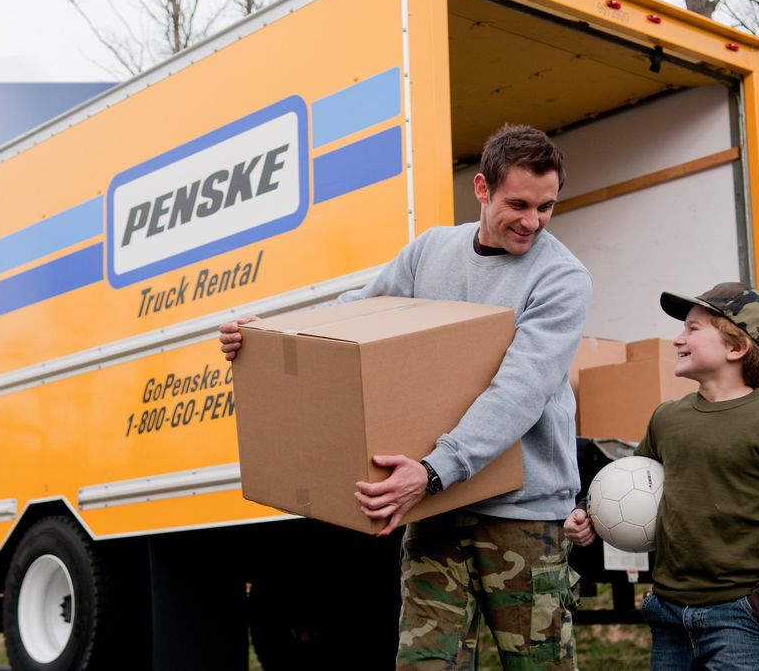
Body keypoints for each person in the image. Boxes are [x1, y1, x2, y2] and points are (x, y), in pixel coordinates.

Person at [221, 124, 593, 669]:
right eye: (519, 204)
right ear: (483, 190)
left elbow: (521, 391)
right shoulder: (431, 252)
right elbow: (360, 315)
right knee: (424, 665)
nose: (533, 222)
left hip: (522, 513)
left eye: (547, 207)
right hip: (435, 507)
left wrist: (434, 469)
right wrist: (268, 334)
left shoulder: (561, 278)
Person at [564, 282, 759, 670]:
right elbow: (627, 487)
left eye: (693, 329)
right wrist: (585, 514)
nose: (678, 339)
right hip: (668, 614)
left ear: (736, 347)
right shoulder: (667, 417)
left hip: (740, 620)